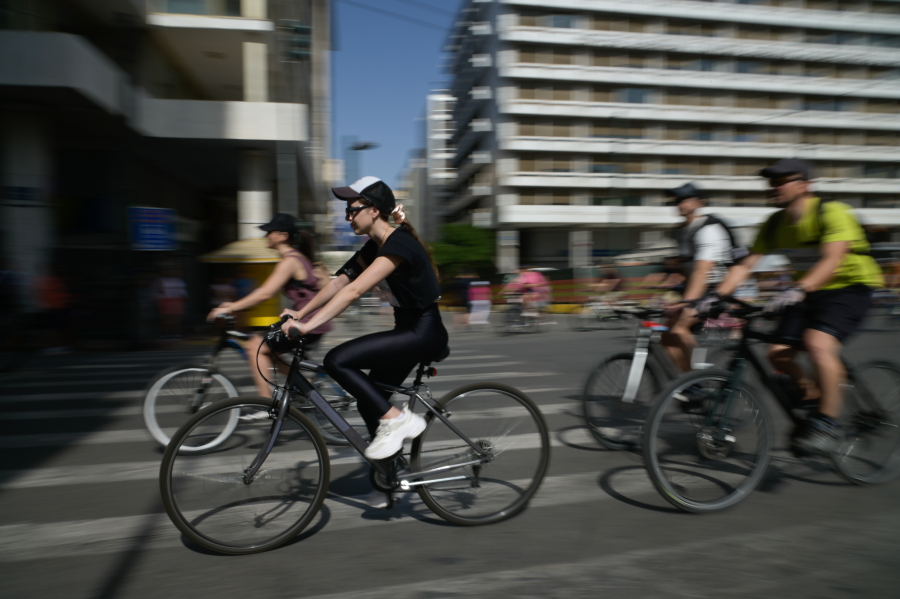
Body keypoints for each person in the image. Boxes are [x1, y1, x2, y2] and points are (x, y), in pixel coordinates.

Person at [280, 176, 448, 508]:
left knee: (337, 360)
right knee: (368, 401)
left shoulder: (398, 244)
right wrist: (299, 313)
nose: (347, 216)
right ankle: (392, 478)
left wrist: (309, 325)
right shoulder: (374, 246)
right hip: (408, 332)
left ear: (373, 211)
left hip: (422, 332)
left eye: (351, 209)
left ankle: (398, 421)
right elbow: (338, 282)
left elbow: (354, 292)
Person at [705, 158, 884, 456]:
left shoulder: (832, 212)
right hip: (806, 291)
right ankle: (814, 393)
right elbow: (747, 264)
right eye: (771, 182)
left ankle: (829, 422)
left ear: (805, 184)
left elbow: (832, 259)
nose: (773, 187)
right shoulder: (775, 223)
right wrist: (716, 296)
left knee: (817, 344)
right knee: (777, 353)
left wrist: (799, 288)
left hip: (849, 287)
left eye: (781, 181)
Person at [208, 213, 331, 398]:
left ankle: (264, 402)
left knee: (255, 347)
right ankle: (303, 385)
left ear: (282, 236)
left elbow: (265, 293)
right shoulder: (298, 258)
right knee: (268, 352)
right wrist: (235, 305)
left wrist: (230, 308)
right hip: (313, 322)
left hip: (308, 323)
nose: (266, 236)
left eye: (269, 232)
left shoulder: (290, 261)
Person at [660, 182, 735, 372]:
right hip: (697, 289)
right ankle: (691, 382)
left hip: (716, 290)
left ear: (699, 202)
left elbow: (703, 270)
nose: (679, 204)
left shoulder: (708, 229)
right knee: (666, 336)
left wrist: (687, 302)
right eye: (677, 200)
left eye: (685, 199)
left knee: (679, 328)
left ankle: (700, 377)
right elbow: (687, 269)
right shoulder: (681, 231)